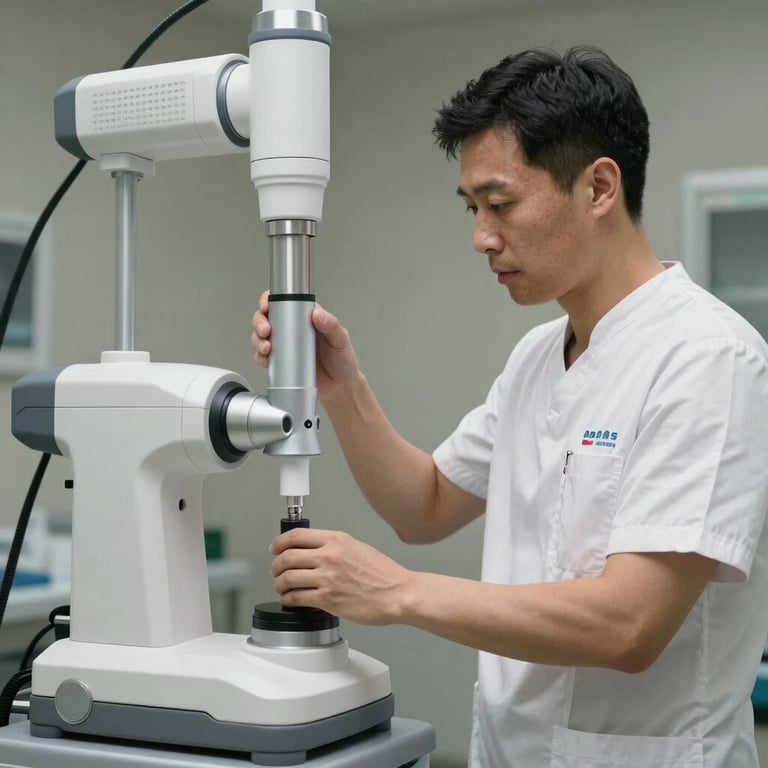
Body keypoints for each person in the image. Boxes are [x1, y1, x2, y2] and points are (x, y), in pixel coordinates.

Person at [251, 45, 768, 767]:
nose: (481, 238)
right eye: (472, 209)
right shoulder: (537, 358)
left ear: (598, 188)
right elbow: (425, 505)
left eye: (500, 204)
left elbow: (630, 624)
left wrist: (397, 593)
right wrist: (343, 390)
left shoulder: (708, 357)